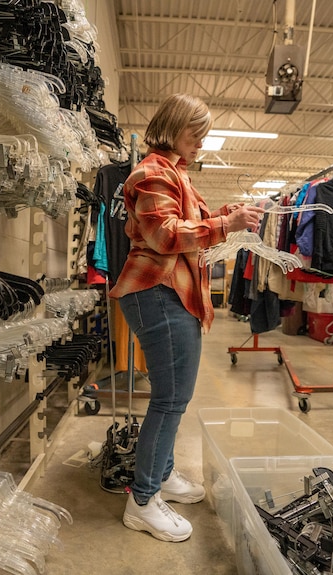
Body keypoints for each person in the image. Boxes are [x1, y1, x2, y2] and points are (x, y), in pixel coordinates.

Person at [109, 93, 264, 542]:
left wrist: (228, 215)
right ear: (174, 127)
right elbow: (164, 235)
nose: (201, 144)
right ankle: (142, 501)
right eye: (196, 135)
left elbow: (190, 218)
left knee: (172, 396)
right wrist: (225, 226)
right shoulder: (151, 172)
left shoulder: (175, 173)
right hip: (156, 291)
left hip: (168, 293)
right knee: (171, 399)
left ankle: (162, 477)